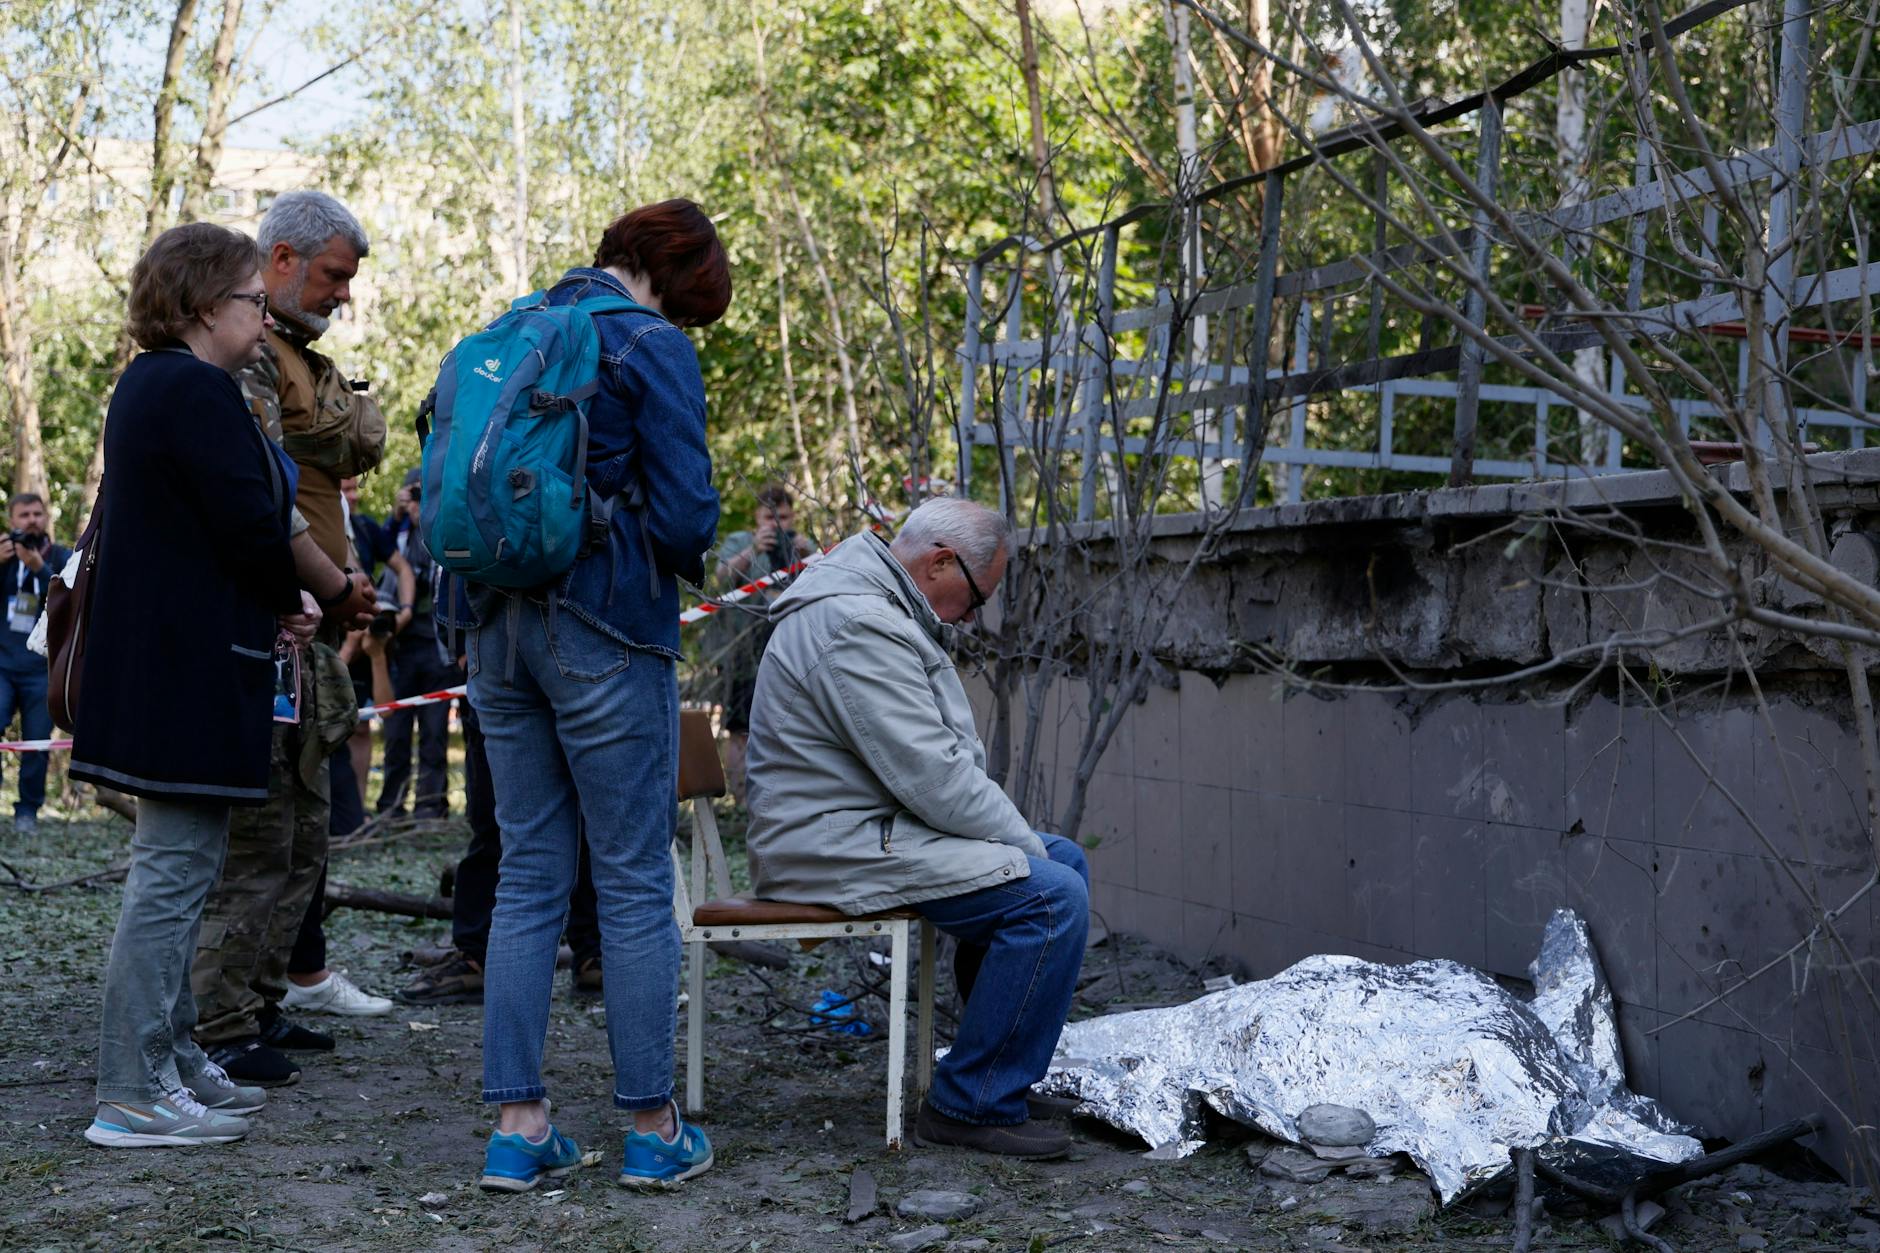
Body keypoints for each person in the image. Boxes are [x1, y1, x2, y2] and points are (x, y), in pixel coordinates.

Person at [449, 199, 726, 1193]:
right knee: (632, 877)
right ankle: (654, 1128)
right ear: (681, 273)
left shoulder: (513, 325)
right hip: (606, 630)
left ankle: (519, 1127)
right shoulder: (648, 345)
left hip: (493, 629)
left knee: (528, 871)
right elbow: (688, 513)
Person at [744, 497, 1089, 1159]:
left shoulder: (873, 603)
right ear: (938, 562)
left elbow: (927, 774)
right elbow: (932, 777)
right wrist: (1013, 843)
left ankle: (998, 1072)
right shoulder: (856, 620)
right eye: (977, 597)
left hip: (866, 828)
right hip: (827, 843)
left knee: (1062, 861)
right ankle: (970, 1101)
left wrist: (1012, 843)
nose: (972, 615)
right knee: (1051, 894)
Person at [70, 223, 309, 1146]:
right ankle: (130, 1088)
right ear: (207, 304)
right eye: (254, 298)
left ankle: (167, 1057)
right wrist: (292, 595)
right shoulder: (193, 388)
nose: (262, 313)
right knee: (170, 880)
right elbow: (250, 521)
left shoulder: (154, 386)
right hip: (183, 676)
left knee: (186, 868)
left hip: (175, 670)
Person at [189, 190, 383, 1088]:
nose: (343, 293)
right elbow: (267, 489)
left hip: (298, 628)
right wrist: (334, 586)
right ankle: (220, 1021)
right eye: (335, 274)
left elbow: (359, 440)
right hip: (259, 625)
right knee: (260, 835)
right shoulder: (246, 361)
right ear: (280, 263)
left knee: (303, 830)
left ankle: (261, 1000)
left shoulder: (298, 361)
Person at [709, 483, 814, 802]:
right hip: (742, 653)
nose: (777, 524)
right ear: (757, 516)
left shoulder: (799, 543)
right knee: (740, 728)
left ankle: (783, 799)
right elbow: (720, 579)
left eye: (783, 516)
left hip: (790, 650)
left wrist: (809, 554)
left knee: (791, 727)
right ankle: (741, 803)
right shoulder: (742, 541)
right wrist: (754, 549)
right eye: (770, 517)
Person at [376, 469, 455, 820]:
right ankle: (391, 805)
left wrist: (425, 515)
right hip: (401, 647)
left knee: (435, 734)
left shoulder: (443, 527)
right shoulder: (398, 534)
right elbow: (378, 551)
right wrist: (397, 518)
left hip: (437, 648)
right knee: (395, 733)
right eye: (414, 495)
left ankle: (429, 805)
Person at [1, 492, 71, 834]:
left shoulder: (61, 557)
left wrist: (39, 569)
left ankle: (27, 812)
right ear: (11, 521)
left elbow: (70, 600)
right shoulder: (3, 559)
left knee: (37, 743)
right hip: (2, 666)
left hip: (43, 669)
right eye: (24, 515)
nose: (31, 520)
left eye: (37, 514)